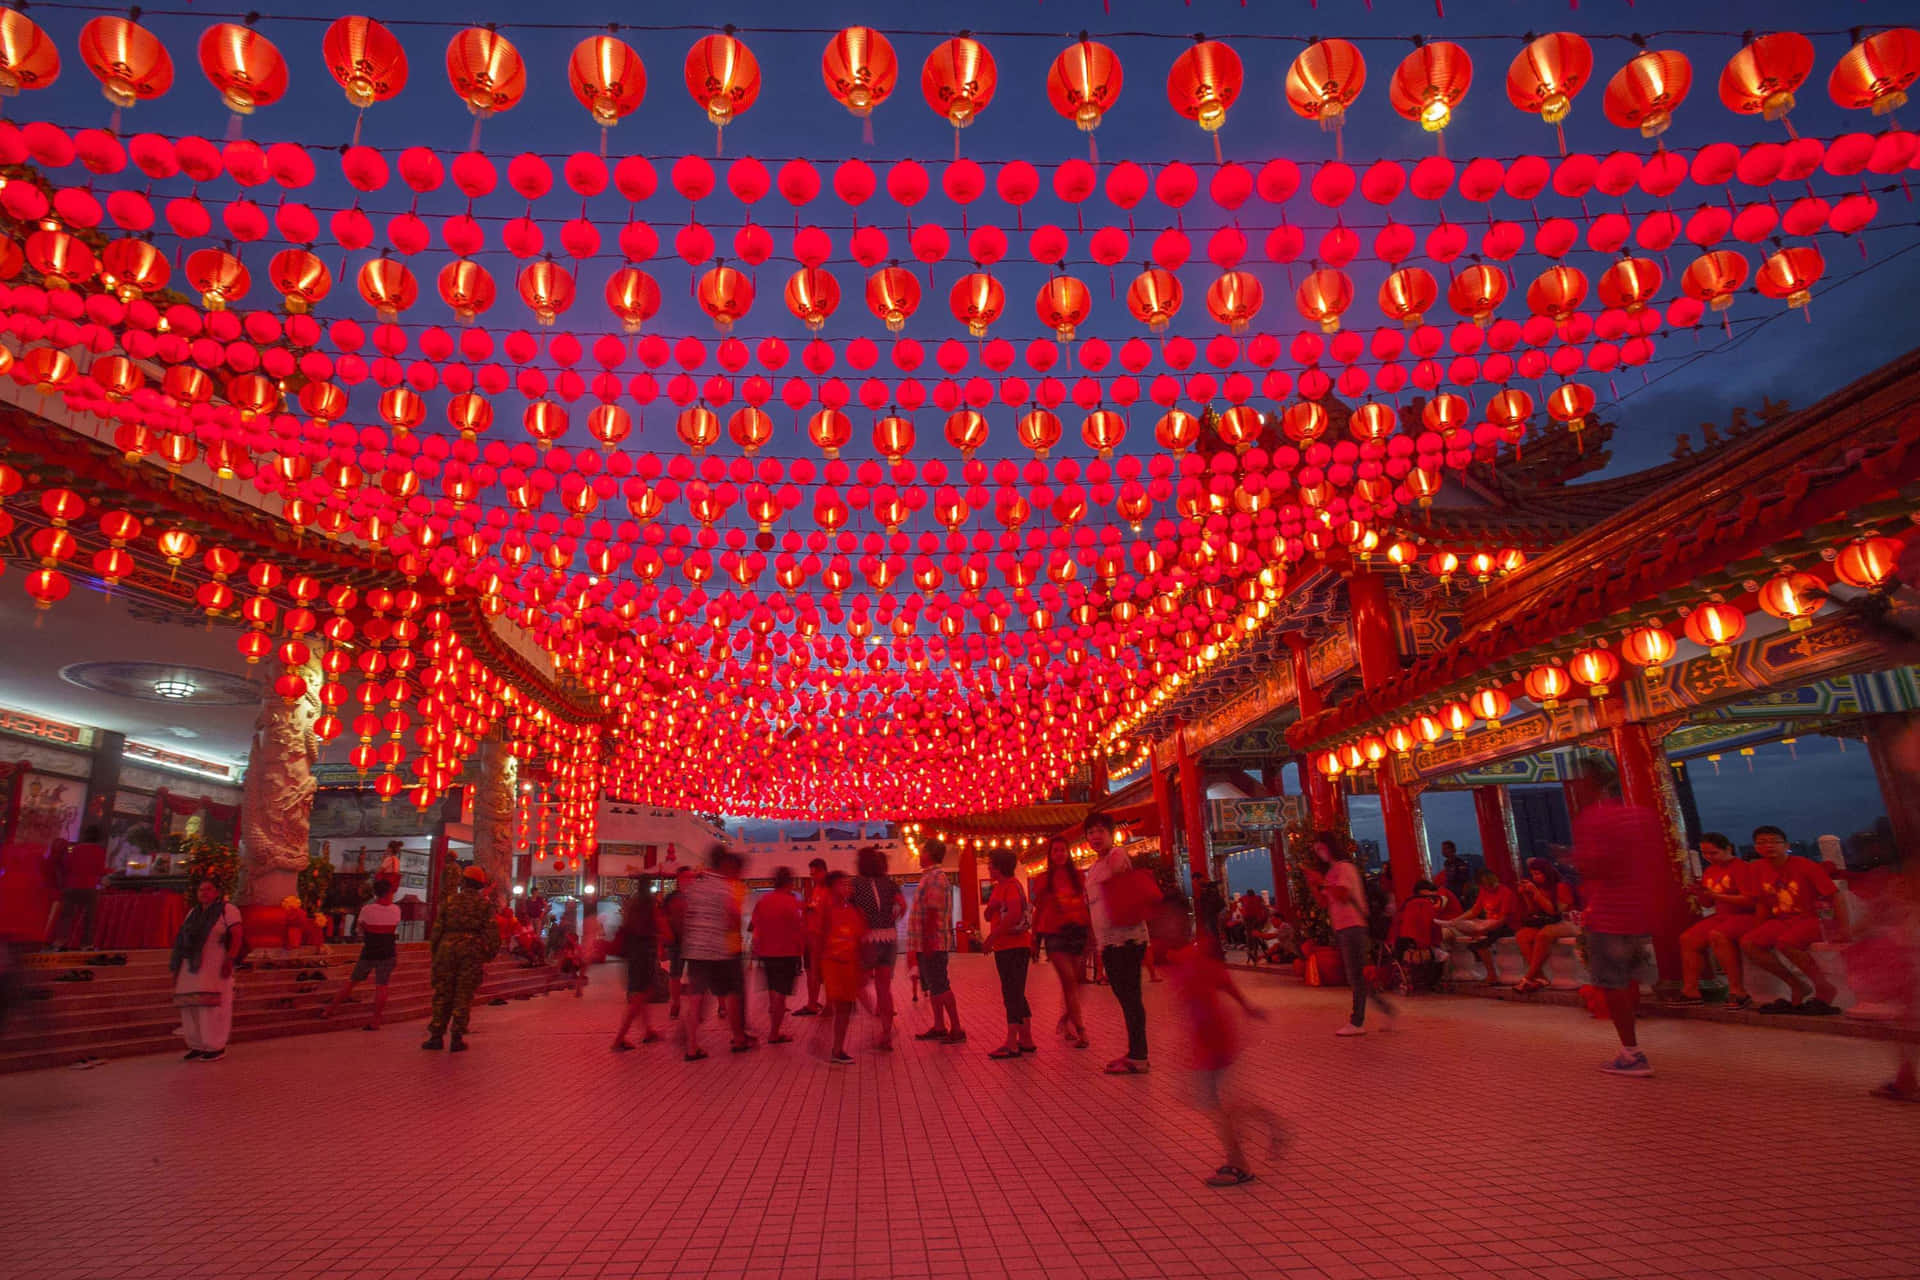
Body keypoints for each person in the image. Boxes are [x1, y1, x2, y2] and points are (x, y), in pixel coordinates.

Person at [1163, 901, 1278, 1186]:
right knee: (1222, 1104)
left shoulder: (1190, 958)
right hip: (1211, 1041)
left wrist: (1245, 1007)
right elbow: (1221, 985)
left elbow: (1215, 990)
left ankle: (1239, 1164)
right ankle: (1271, 1125)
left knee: (1216, 1106)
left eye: (1167, 923)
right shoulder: (1181, 958)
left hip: (1212, 1041)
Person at [1569, 761, 1665, 1077]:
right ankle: (1632, 1046)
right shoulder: (1642, 816)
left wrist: (1571, 861)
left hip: (1609, 913)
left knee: (1614, 984)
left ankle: (1632, 1051)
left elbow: (1596, 867)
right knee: (1630, 979)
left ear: (1590, 781)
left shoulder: (1595, 818)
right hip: (1641, 910)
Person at [1744, 825, 1848, 1015]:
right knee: (1749, 942)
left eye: (1775, 841)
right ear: (1756, 848)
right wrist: (1759, 929)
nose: (1769, 846)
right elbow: (1761, 903)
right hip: (1781, 920)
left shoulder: (1805, 865)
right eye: (1762, 843)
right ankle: (1797, 984)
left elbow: (1836, 896)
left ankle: (1823, 986)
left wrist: (1843, 928)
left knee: (1787, 942)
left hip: (1811, 918)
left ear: (1786, 845)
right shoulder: (1756, 868)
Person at [1306, 831, 1397, 1036]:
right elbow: (1324, 902)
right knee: (1357, 976)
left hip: (1354, 926)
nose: (1319, 853)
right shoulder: (1331, 872)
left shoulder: (1344, 868)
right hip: (1342, 927)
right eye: (1316, 850)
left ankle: (1357, 1022)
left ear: (1329, 847)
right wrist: (1314, 884)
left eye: (1320, 848)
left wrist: (1322, 882)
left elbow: (1344, 895)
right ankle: (1385, 1010)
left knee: (1356, 976)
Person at [1083, 813, 1151, 1074]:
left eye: (1100, 831)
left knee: (1130, 996)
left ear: (1111, 833)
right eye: (1090, 833)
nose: (1095, 837)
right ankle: (1135, 1052)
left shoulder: (1116, 856)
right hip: (1109, 941)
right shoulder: (1095, 865)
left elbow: (1120, 887)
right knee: (1126, 997)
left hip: (1127, 938)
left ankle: (1139, 1056)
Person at [680, 846, 751, 1060]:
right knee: (730, 994)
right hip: (719, 950)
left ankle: (692, 1047)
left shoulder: (695, 885)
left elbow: (687, 915)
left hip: (695, 949)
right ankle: (738, 1039)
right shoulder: (724, 887)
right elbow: (732, 918)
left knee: (695, 998)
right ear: (723, 864)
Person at [1674, 833, 1759, 1007]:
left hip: (1744, 915)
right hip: (1722, 915)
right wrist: (1699, 893)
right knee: (1688, 939)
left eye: (1713, 853)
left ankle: (1737, 990)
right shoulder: (1711, 870)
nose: (1709, 857)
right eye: (1705, 853)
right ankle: (1690, 991)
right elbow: (1708, 903)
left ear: (1728, 849)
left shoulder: (1742, 868)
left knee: (1718, 935)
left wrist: (1717, 895)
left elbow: (1750, 901)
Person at [423, 865, 500, 1052]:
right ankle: (457, 1037)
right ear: (480, 885)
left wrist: (436, 953)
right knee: (463, 995)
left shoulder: (450, 901)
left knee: (442, 993)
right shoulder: (484, 905)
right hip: (471, 951)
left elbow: (437, 930)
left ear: (463, 882)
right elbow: (492, 934)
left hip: (446, 949)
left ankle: (436, 1036)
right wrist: (487, 955)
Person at [170, 875, 245, 1062]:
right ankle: (196, 1045)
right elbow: (182, 940)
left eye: (208, 889)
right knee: (191, 1007)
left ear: (217, 892)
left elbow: (237, 935)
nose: (204, 893)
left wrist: (230, 960)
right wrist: (177, 968)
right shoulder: (192, 913)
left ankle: (215, 1046)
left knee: (213, 1007)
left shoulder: (228, 910)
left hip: (215, 964)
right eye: (201, 890)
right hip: (190, 966)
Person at [1030, 836, 1092, 1048]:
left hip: (1077, 931)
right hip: (1054, 934)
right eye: (1055, 850)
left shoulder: (1078, 877)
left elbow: (1086, 906)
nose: (1060, 854)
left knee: (1074, 982)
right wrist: (1034, 938)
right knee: (1069, 980)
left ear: (1068, 853)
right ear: (1050, 854)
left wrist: (1091, 933)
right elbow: (1038, 910)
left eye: (1063, 850)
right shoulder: (1043, 880)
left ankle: (1066, 1020)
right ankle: (1081, 1029)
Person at [319, 876, 401, 1029]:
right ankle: (376, 1020)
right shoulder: (396, 910)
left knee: (352, 982)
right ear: (389, 892)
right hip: (388, 952)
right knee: (382, 986)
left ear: (375, 893)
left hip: (369, 951)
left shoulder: (367, 910)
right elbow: (394, 926)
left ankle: (329, 1010)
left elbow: (360, 930)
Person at [849, 845, 907, 1051]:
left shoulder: (855, 884)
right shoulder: (890, 883)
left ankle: (875, 1012)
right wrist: (893, 918)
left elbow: (853, 912)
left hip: (868, 938)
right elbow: (903, 905)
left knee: (857, 984)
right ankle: (886, 1034)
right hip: (889, 938)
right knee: (884, 989)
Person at [907, 838, 963, 1044]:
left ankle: (956, 1028)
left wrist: (929, 941)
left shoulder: (936, 878)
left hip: (933, 942)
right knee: (934, 985)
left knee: (941, 984)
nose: (919, 855)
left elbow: (932, 911)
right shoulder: (930, 877)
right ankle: (939, 1025)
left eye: (922, 851)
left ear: (929, 854)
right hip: (927, 942)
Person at [983, 849, 1036, 1059]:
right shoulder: (1001, 887)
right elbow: (989, 914)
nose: (988, 867)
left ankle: (1011, 1042)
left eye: (991, 864)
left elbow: (1013, 915)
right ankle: (1027, 1039)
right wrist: (992, 909)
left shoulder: (1011, 886)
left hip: (1012, 946)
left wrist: (992, 938)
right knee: (1016, 992)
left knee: (1011, 993)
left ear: (999, 867)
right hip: (1009, 946)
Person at [751, 865, 805, 1045]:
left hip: (767, 952)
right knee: (780, 994)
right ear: (789, 883)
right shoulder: (790, 902)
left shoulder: (764, 900)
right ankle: (774, 1033)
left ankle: (774, 1024)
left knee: (774, 992)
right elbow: (797, 930)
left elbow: (755, 926)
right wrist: (801, 952)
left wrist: (756, 948)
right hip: (786, 953)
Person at [1512, 859, 1579, 994]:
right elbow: (1533, 911)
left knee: (1544, 934)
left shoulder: (1560, 886)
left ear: (1547, 873)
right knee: (1522, 935)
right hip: (1547, 922)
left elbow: (1554, 911)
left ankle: (1528, 977)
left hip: (1567, 921)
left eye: (1538, 874)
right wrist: (1526, 895)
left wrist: (1536, 892)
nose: (1535, 877)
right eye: (1533, 874)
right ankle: (1540, 977)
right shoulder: (1539, 887)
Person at [1441, 869, 1520, 985]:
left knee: (1481, 941)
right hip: (1489, 923)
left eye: (1489, 886)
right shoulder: (1483, 891)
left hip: (1506, 925)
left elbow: (1503, 919)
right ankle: (1490, 972)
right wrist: (1456, 921)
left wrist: (1483, 929)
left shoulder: (1505, 892)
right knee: (1466, 928)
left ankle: (1492, 974)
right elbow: (1474, 911)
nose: (1487, 889)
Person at [820, 872, 866, 1064]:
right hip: (833, 965)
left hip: (849, 965)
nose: (847, 888)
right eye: (842, 884)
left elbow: (860, 940)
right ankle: (837, 1049)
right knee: (841, 1006)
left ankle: (838, 1049)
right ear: (832, 888)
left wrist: (863, 970)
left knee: (845, 1007)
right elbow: (818, 939)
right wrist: (815, 970)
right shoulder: (825, 910)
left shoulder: (853, 912)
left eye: (848, 884)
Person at [611, 883, 662, 1051]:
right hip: (644, 954)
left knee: (643, 993)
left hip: (633, 953)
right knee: (639, 997)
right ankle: (619, 1039)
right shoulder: (649, 906)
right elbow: (662, 928)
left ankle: (648, 1031)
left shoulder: (632, 906)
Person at [46, 825, 109, 951]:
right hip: (90, 887)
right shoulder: (100, 851)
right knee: (89, 919)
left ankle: (59, 943)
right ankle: (86, 945)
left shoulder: (76, 849)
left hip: (72, 885)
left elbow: (67, 865)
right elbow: (100, 870)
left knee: (66, 917)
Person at [1390, 881, 1446, 994]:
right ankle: (1433, 983)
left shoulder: (1405, 905)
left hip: (1402, 948)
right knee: (1442, 954)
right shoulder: (1428, 906)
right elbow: (1434, 931)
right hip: (1423, 949)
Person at [795, 857, 831, 1017]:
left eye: (815, 874)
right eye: (811, 874)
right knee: (811, 971)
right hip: (810, 937)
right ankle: (812, 1003)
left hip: (821, 939)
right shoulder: (816, 889)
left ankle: (830, 1005)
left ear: (824, 872)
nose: (813, 877)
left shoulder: (829, 891)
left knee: (825, 974)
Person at [661, 865, 693, 1018]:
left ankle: (695, 1006)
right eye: (685, 877)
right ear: (678, 879)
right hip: (676, 941)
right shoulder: (671, 897)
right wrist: (665, 936)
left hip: (694, 942)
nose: (688, 880)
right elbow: (661, 917)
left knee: (695, 976)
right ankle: (676, 1003)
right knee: (675, 974)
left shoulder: (697, 897)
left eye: (690, 877)